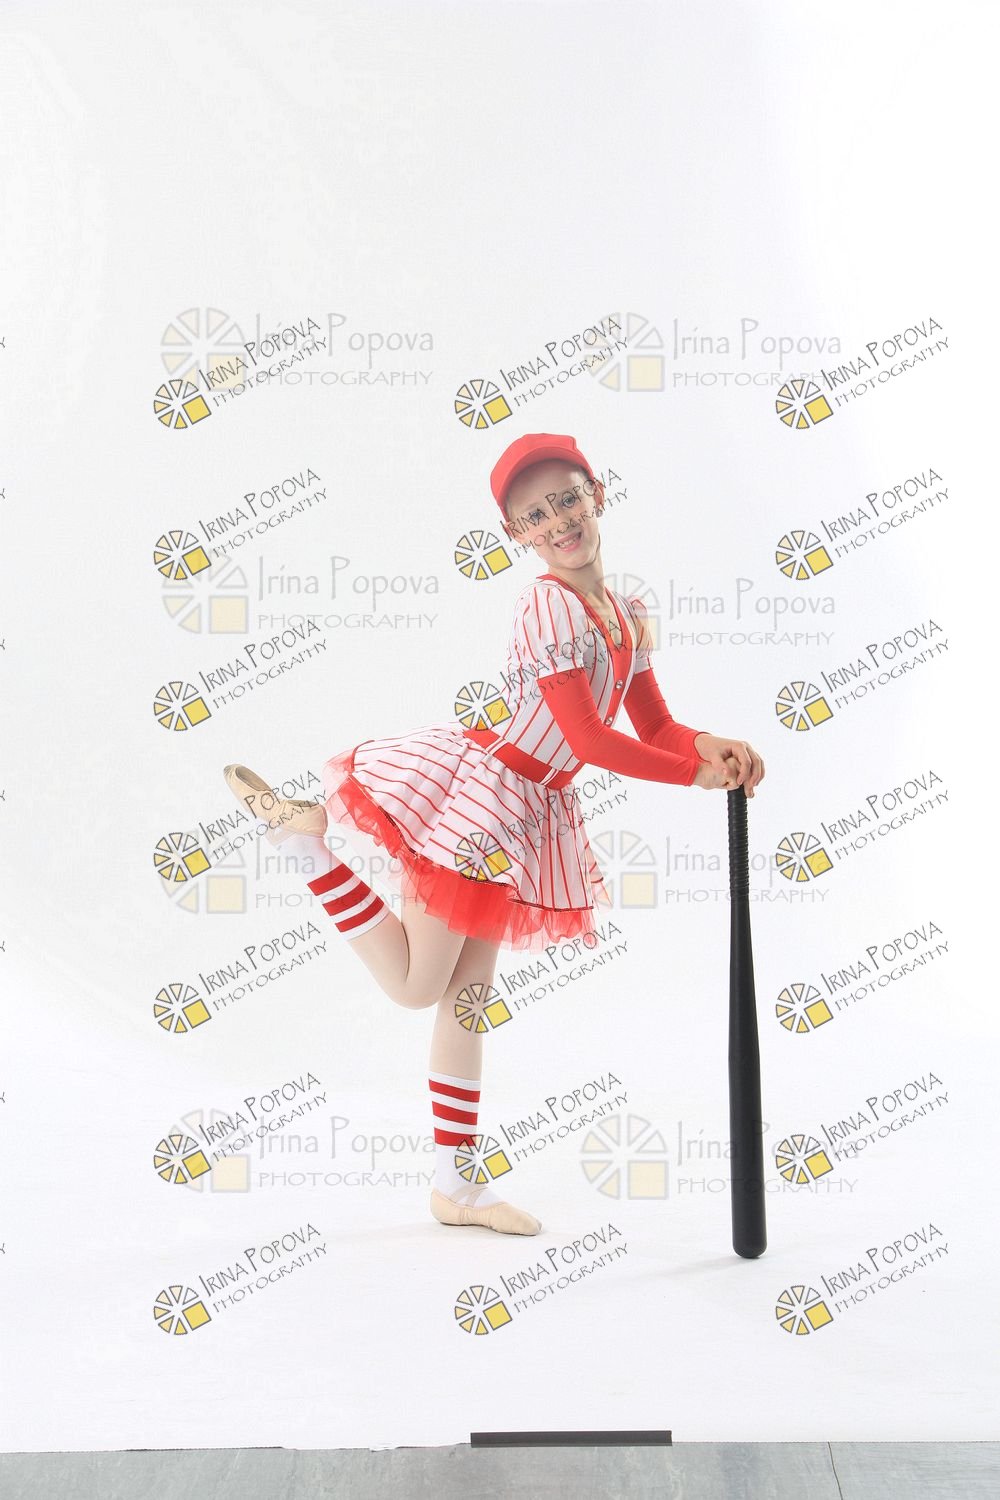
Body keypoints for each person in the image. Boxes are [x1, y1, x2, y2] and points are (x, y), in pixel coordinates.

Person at [222, 432, 765, 1238]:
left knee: (467, 1001)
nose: (558, 521)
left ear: (597, 494)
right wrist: (691, 777)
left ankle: (456, 1187)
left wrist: (712, 747)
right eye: (535, 515)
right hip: (488, 803)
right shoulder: (548, 605)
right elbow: (586, 740)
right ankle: (305, 846)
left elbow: (654, 725)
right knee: (418, 987)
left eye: (567, 499)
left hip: (530, 815)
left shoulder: (626, 612)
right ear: (517, 534)